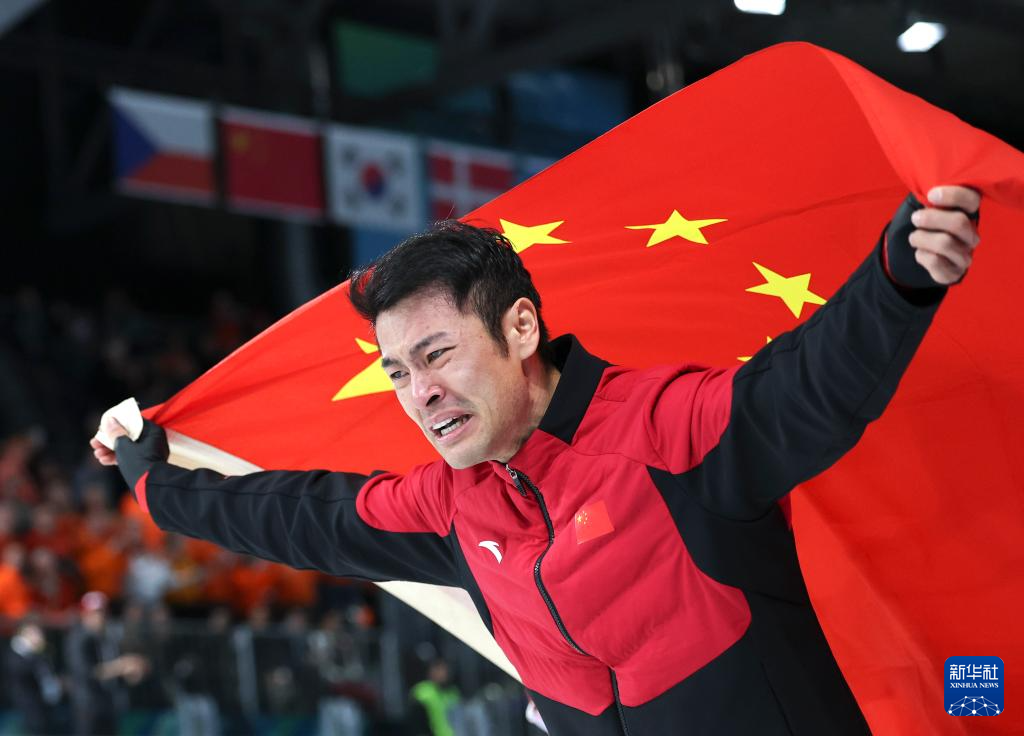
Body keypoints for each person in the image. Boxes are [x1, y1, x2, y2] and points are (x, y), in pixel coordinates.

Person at [92, 186, 981, 735]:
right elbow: (297, 516)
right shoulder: (449, 505)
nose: (420, 393)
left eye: (438, 355)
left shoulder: (665, 431)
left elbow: (807, 386)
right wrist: (154, 481)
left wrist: (899, 278)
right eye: (397, 372)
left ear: (520, 328)